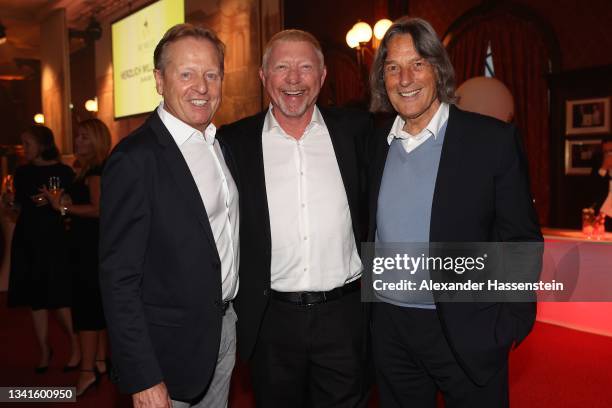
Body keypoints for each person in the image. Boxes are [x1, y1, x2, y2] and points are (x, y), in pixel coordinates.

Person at [367, 17, 542, 407]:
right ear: (383, 79)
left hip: (467, 327)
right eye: (392, 67)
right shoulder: (375, 142)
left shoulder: (490, 140)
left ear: (438, 69)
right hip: (391, 331)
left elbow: (520, 238)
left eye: (418, 63)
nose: (405, 78)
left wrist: (510, 323)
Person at [218, 29, 371, 407]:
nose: (293, 79)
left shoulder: (358, 132)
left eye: (305, 67)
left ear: (321, 77)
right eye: (282, 67)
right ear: (263, 76)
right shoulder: (232, 143)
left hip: (345, 316)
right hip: (271, 320)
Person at [99, 24, 239, 408]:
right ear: (159, 80)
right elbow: (119, 280)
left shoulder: (218, 145)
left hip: (223, 330)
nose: (202, 87)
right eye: (187, 74)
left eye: (212, 75)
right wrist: (143, 376)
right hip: (169, 351)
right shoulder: (135, 159)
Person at [42, 118, 111, 396]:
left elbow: (98, 209)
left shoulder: (96, 170)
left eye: (84, 137)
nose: (77, 141)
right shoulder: (86, 170)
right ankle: (99, 362)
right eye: (77, 136)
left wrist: (63, 208)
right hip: (89, 246)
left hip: (90, 248)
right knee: (94, 307)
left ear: (96, 140)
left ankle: (87, 372)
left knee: (87, 311)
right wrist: (65, 205)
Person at [6, 125, 80, 373]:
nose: (23, 148)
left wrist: (58, 202)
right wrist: (10, 205)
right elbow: (18, 208)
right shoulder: (23, 173)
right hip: (28, 238)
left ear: (43, 145)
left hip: (55, 238)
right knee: (35, 298)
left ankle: (76, 347)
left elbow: (71, 204)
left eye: (28, 143)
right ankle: (44, 350)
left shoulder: (64, 172)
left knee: (60, 296)